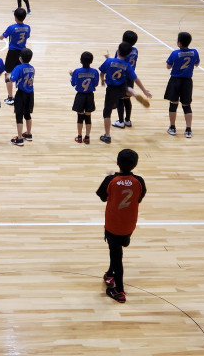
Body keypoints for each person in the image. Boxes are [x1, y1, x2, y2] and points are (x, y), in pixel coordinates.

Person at [97, 149, 147, 303]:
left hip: (113, 225)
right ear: (135, 164)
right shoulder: (139, 181)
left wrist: (111, 177)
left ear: (117, 162)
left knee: (116, 256)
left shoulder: (110, 180)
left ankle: (119, 291)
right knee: (117, 250)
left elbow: (102, 197)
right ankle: (110, 274)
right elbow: (139, 198)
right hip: (129, 225)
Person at [98, 42, 151, 144]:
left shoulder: (109, 61)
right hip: (122, 86)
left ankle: (107, 135)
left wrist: (102, 81)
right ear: (127, 55)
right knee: (127, 88)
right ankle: (133, 92)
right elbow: (136, 79)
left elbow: (102, 72)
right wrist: (144, 90)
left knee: (107, 113)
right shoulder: (127, 65)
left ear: (118, 51)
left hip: (111, 89)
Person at [164, 32, 200, 138]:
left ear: (179, 43)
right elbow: (197, 64)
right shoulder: (194, 52)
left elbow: (168, 67)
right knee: (187, 106)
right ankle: (188, 130)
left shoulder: (175, 53)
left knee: (173, 104)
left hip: (175, 81)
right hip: (187, 82)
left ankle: (172, 128)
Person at [0, 8, 31, 105]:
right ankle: (22, 95)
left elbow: (2, 37)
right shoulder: (28, 27)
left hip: (12, 53)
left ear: (15, 17)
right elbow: (27, 36)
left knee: (8, 73)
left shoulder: (12, 28)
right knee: (22, 72)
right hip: (23, 52)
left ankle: (10, 97)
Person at [111, 31, 139, 129]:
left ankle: (120, 121)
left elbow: (116, 63)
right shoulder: (135, 51)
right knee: (127, 98)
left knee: (120, 99)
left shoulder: (120, 50)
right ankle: (128, 120)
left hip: (122, 78)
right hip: (131, 77)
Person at [70, 51, 99, 145]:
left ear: (81, 61)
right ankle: (87, 138)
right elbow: (95, 84)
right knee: (88, 117)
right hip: (90, 96)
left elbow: (73, 83)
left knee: (80, 117)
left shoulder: (77, 71)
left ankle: (79, 137)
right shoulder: (95, 72)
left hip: (80, 96)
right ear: (91, 61)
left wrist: (72, 75)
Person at [9, 48, 35, 146]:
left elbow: (12, 79)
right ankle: (28, 134)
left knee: (19, 116)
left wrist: (8, 76)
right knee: (27, 114)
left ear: (20, 58)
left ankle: (19, 139)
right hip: (30, 94)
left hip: (21, 94)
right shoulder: (32, 68)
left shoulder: (18, 68)